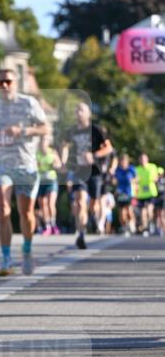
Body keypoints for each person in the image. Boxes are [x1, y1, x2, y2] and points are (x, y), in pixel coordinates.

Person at [0, 67, 48, 276]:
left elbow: (45, 128)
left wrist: (22, 131)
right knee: (2, 208)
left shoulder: (28, 103)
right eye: (0, 82)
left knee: (26, 212)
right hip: (1, 163)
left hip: (25, 164)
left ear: (16, 83)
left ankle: (27, 250)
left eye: (8, 81)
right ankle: (6, 259)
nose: (4, 85)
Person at [59, 102, 113, 250]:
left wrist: (94, 155)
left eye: (81, 110)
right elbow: (64, 145)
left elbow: (108, 148)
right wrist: (63, 162)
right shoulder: (71, 131)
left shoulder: (96, 130)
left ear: (88, 113)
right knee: (80, 201)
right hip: (79, 171)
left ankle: (94, 219)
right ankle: (81, 234)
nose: (78, 113)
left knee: (93, 204)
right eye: (77, 111)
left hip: (95, 171)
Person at [35, 132, 61, 235]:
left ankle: (53, 223)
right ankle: (47, 225)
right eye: (42, 140)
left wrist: (55, 165)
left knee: (51, 203)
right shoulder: (37, 154)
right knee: (43, 205)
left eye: (45, 140)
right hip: (41, 181)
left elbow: (59, 165)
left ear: (48, 142)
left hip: (51, 180)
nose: (43, 142)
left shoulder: (53, 152)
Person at [134, 152, 164, 236]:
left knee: (149, 209)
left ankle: (152, 224)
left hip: (151, 192)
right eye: (141, 159)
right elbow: (135, 180)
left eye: (144, 159)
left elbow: (160, 171)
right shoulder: (137, 169)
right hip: (141, 193)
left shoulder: (152, 166)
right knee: (143, 212)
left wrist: (157, 177)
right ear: (139, 160)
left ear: (147, 159)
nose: (143, 161)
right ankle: (146, 227)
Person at [113, 153, 137, 235]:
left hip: (129, 192)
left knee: (129, 210)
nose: (123, 162)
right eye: (121, 161)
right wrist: (114, 183)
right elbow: (114, 180)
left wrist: (134, 184)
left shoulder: (131, 169)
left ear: (127, 161)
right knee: (122, 211)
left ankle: (132, 224)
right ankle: (124, 226)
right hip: (120, 192)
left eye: (124, 161)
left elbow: (136, 179)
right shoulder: (117, 170)